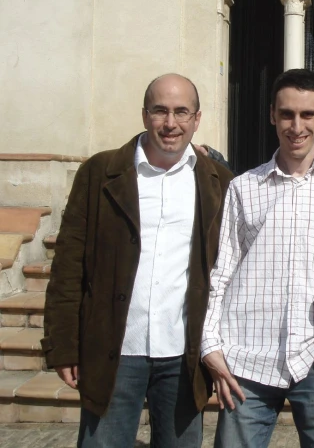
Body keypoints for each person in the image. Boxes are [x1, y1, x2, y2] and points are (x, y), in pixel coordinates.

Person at [42, 73, 234, 447]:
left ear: (197, 119)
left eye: (182, 112)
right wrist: (63, 345)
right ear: (145, 115)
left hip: (182, 355)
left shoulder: (219, 183)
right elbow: (68, 266)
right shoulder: (99, 173)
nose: (170, 123)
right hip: (115, 349)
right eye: (160, 111)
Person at [200, 69, 314, 448]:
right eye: (287, 114)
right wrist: (210, 345)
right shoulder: (244, 187)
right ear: (272, 115)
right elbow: (223, 272)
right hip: (247, 356)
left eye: (306, 115)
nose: (296, 126)